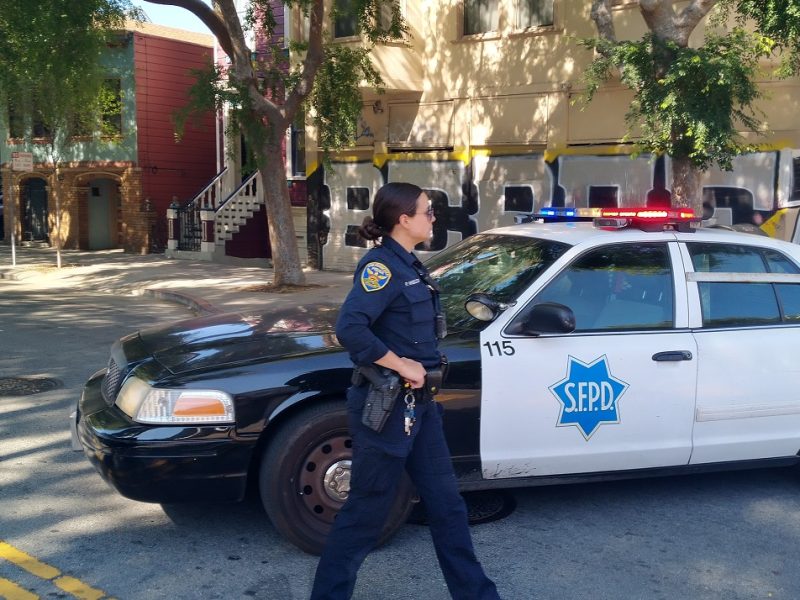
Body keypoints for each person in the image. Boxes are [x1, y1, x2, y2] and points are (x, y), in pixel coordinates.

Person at [310, 182, 500, 600]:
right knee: (365, 512)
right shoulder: (381, 267)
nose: (434, 218)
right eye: (428, 211)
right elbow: (350, 328)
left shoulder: (412, 265)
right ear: (404, 219)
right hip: (388, 408)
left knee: (448, 506)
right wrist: (402, 364)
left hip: (420, 407)